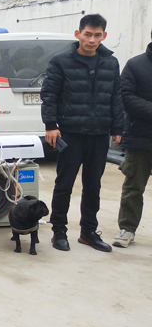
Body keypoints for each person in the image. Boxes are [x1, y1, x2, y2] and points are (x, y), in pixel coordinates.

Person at [41, 13, 123, 253]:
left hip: (99, 134)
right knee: (64, 184)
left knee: (93, 186)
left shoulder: (110, 63)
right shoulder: (61, 61)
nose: (92, 40)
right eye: (87, 34)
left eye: (97, 35)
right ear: (78, 34)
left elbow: (116, 97)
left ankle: (88, 232)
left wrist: (118, 128)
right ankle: (59, 231)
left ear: (104, 36)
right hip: (70, 133)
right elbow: (49, 95)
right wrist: (51, 125)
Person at [113, 29, 152, 247]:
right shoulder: (136, 65)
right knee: (133, 188)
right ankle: (127, 229)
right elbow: (125, 96)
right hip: (140, 139)